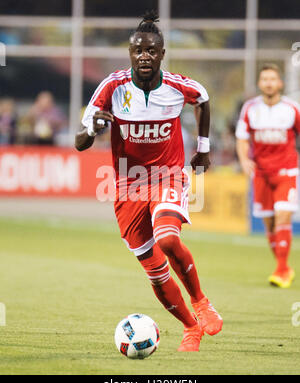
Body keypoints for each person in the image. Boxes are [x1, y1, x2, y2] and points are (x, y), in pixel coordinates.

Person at [76, 11, 223, 352]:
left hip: (167, 176)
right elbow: (79, 142)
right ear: (130, 53)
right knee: (155, 272)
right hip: (127, 186)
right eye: (138, 50)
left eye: (151, 50)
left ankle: (200, 301)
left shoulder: (176, 86)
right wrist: (94, 128)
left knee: (168, 239)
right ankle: (190, 327)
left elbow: (201, 98)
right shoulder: (112, 86)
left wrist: (203, 149)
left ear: (161, 54)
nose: (144, 55)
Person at [236, 64, 300, 288]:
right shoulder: (250, 108)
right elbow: (242, 138)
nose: (269, 83)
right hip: (261, 174)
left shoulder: (293, 108)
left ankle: (281, 270)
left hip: (287, 171)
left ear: (280, 83)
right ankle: (283, 267)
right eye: (265, 79)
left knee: (283, 217)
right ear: (259, 83)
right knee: (270, 223)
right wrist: (244, 160)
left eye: (273, 79)